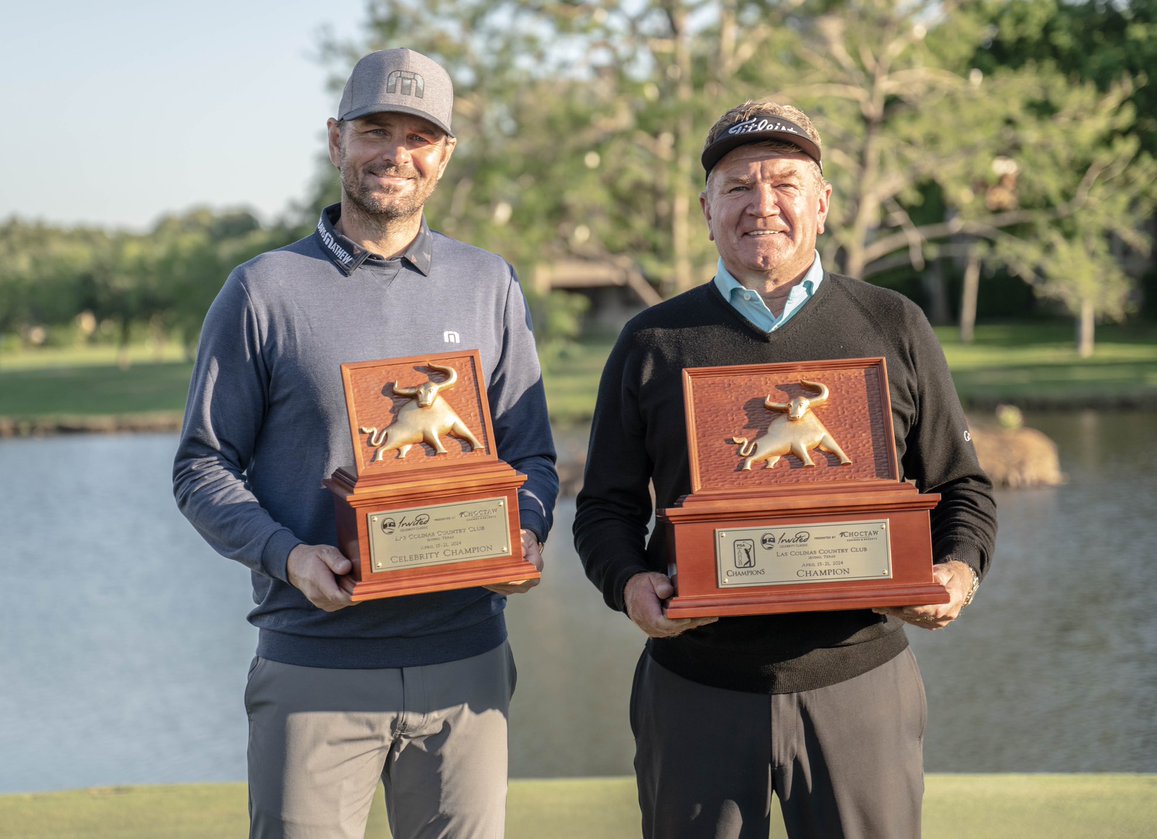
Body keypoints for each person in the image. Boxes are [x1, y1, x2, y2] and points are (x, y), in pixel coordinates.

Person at [572, 100, 997, 839]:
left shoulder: (894, 323)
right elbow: (603, 510)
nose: (760, 205)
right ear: (707, 209)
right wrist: (630, 583)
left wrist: (959, 570)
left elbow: (961, 486)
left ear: (822, 204)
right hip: (696, 690)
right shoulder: (651, 341)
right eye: (738, 186)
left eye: (784, 183)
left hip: (860, 684)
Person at [173, 48, 557, 839]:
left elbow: (534, 457)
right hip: (315, 662)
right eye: (375, 130)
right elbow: (201, 465)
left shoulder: (490, 283)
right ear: (335, 140)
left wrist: (526, 533)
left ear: (444, 156)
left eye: (419, 137)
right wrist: (288, 555)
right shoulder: (263, 288)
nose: (396, 154)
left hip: (466, 662)